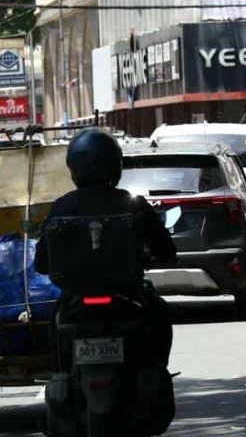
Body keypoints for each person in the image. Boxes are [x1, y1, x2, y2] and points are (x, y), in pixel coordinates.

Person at [36, 127, 178, 365]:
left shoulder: (62, 206)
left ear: (73, 166)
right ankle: (157, 372)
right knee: (159, 311)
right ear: (115, 163)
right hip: (126, 296)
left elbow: (41, 262)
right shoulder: (133, 203)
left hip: (79, 298)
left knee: (55, 319)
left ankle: (61, 372)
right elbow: (166, 250)